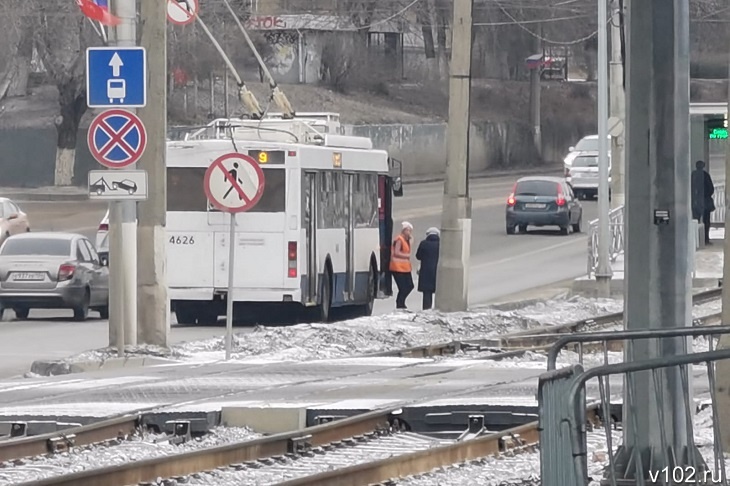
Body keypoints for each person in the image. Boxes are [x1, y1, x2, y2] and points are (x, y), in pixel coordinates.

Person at [390, 221, 414, 309]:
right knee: (403, 287)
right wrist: (406, 255)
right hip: (397, 267)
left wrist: (410, 242)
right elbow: (396, 252)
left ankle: (401, 302)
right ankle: (400, 303)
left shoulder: (406, 241)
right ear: (404, 230)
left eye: (410, 231)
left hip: (405, 268)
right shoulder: (399, 240)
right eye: (408, 230)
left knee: (410, 286)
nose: (409, 233)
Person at [691, 160, 715, 245]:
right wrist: (706, 196)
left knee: (695, 221)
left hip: (695, 201)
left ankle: (695, 240)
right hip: (705, 202)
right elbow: (711, 189)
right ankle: (705, 239)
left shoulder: (693, 175)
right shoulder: (706, 175)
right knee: (706, 221)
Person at [416, 227, 440, 310]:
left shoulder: (423, 243)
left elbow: (418, 256)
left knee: (427, 293)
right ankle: (438, 308)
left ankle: (426, 310)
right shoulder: (441, 244)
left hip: (425, 272)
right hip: (438, 271)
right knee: (439, 291)